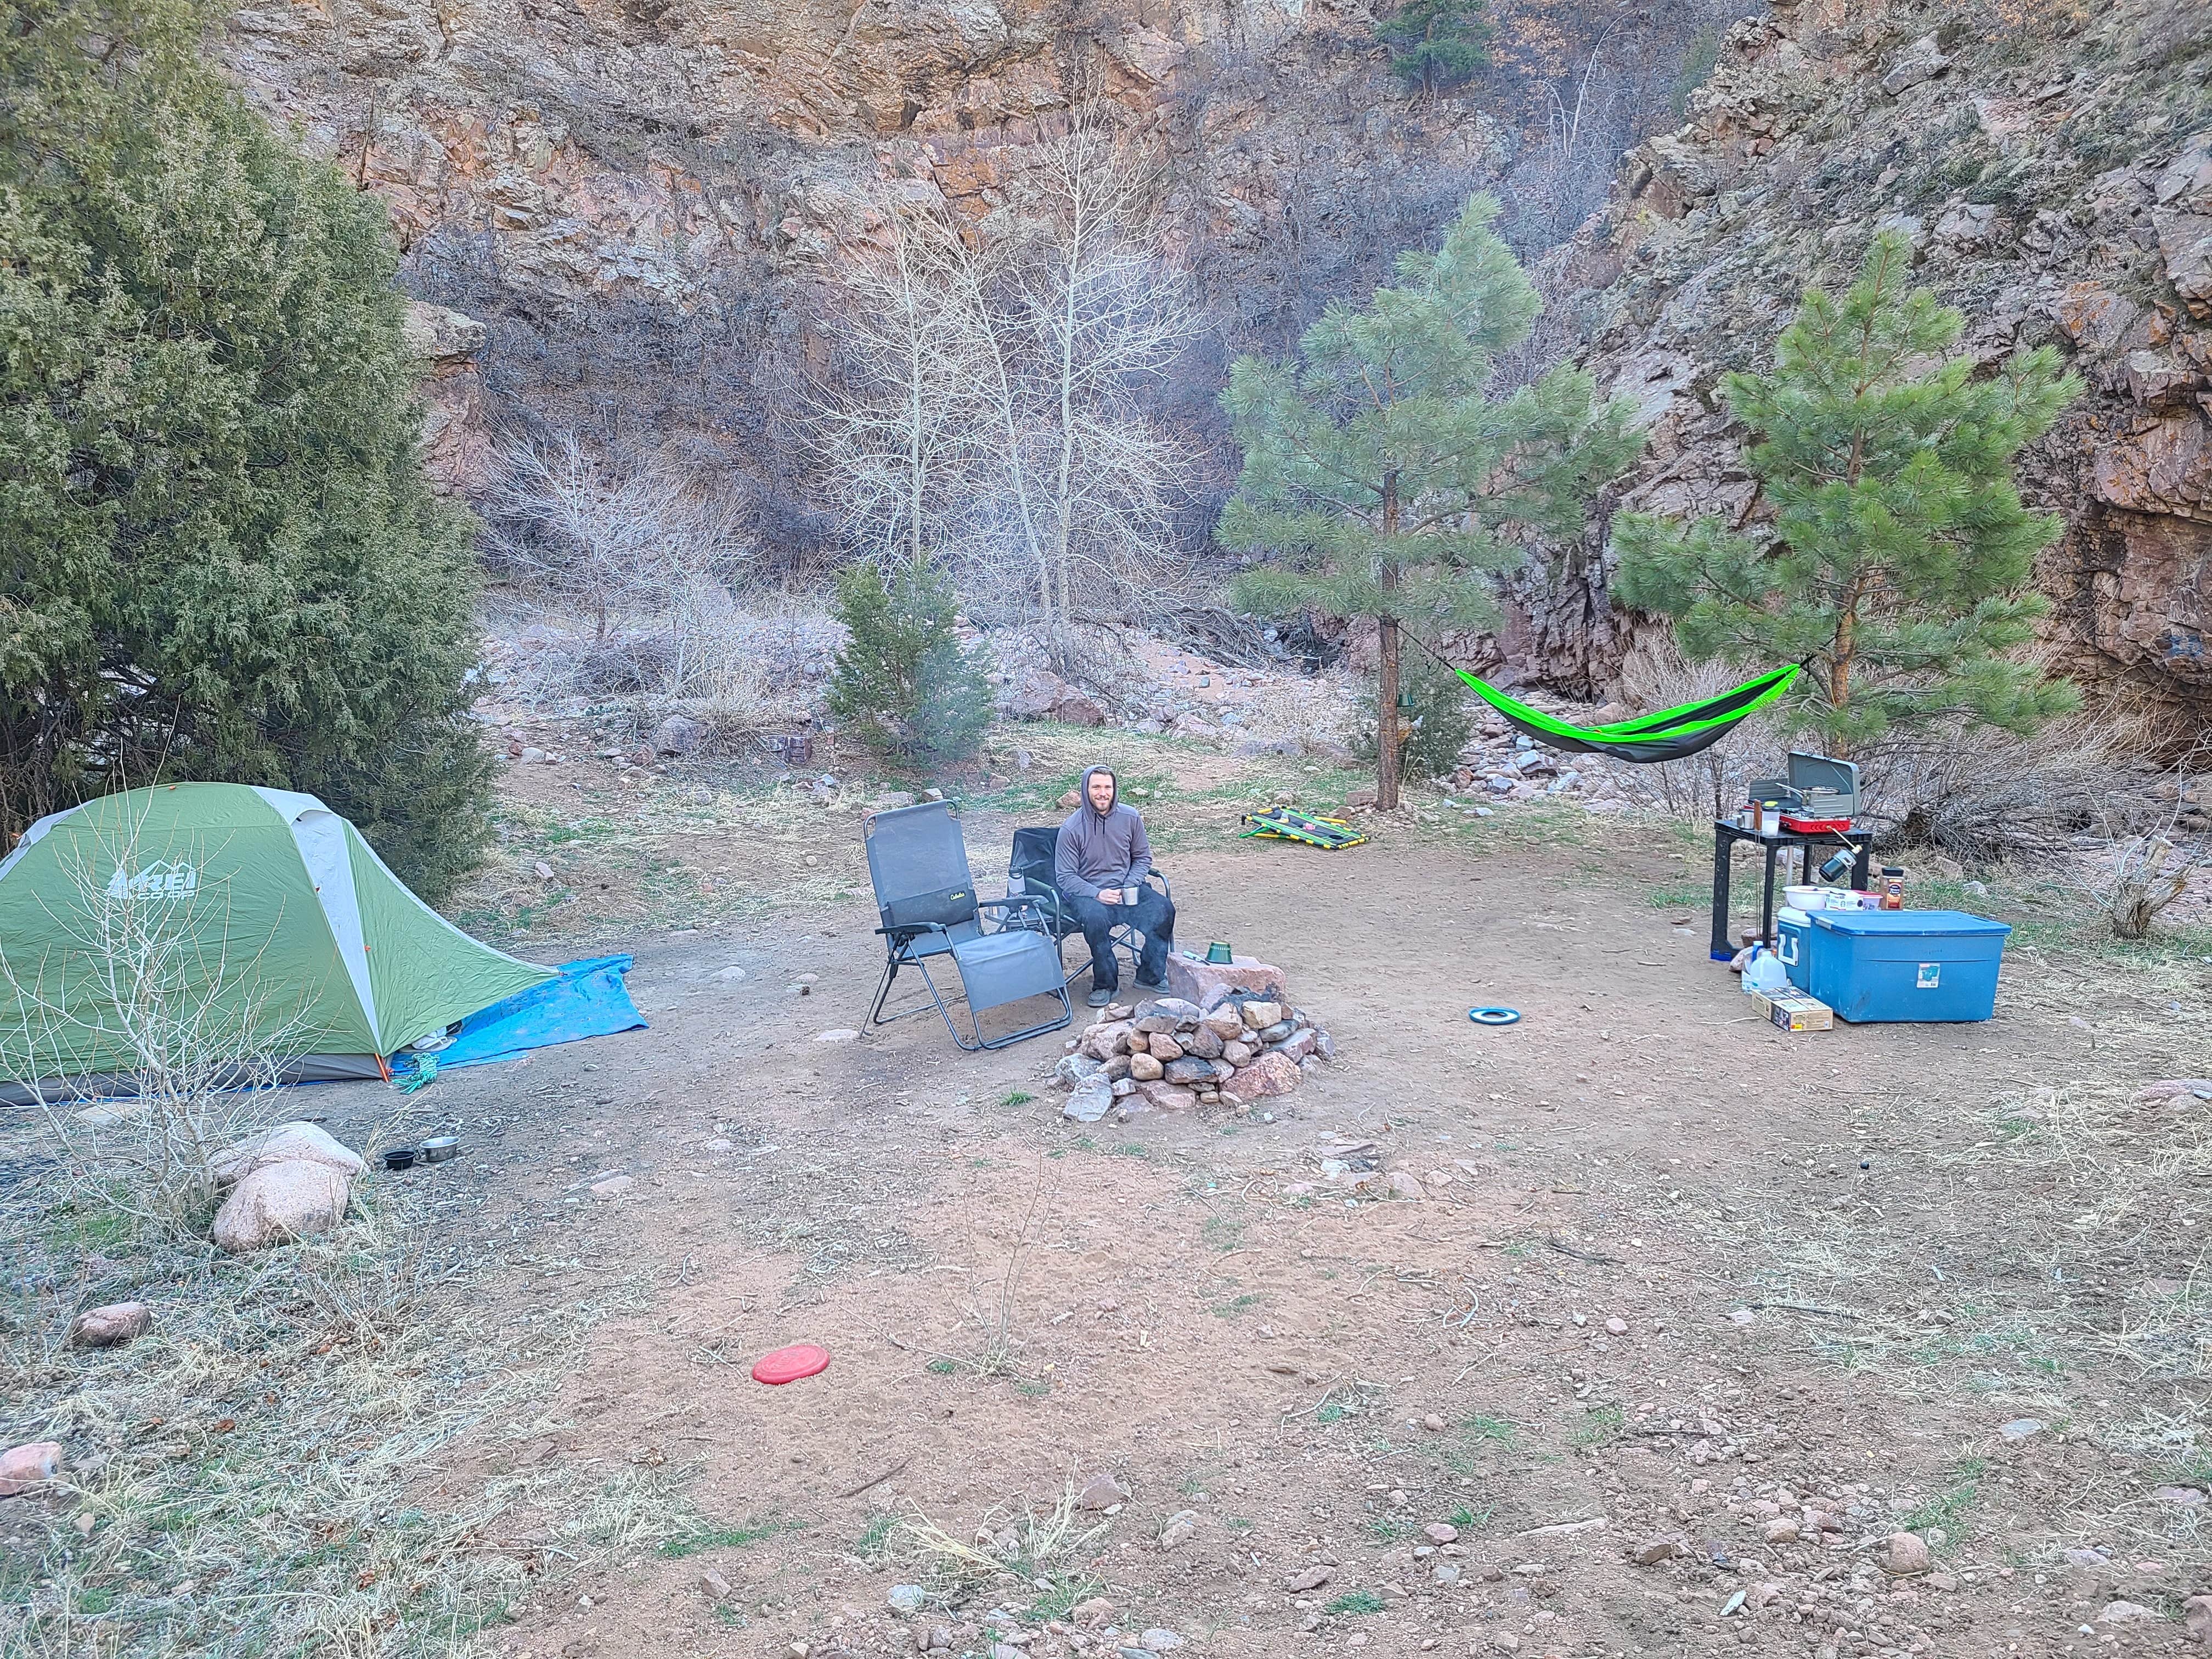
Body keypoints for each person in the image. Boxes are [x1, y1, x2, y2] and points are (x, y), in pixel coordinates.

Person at [1054, 765, 1175, 1008]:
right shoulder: (1071, 828)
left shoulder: (1130, 817)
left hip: (1128, 889)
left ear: (1114, 789)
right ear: (1085, 790)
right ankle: (1106, 984)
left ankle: (1150, 975)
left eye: (1107, 787)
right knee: (1096, 921)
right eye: (1096, 787)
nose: (1102, 793)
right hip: (1089, 894)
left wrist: (1130, 884)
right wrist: (1097, 893)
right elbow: (1065, 876)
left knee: (1164, 910)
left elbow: (1142, 858)